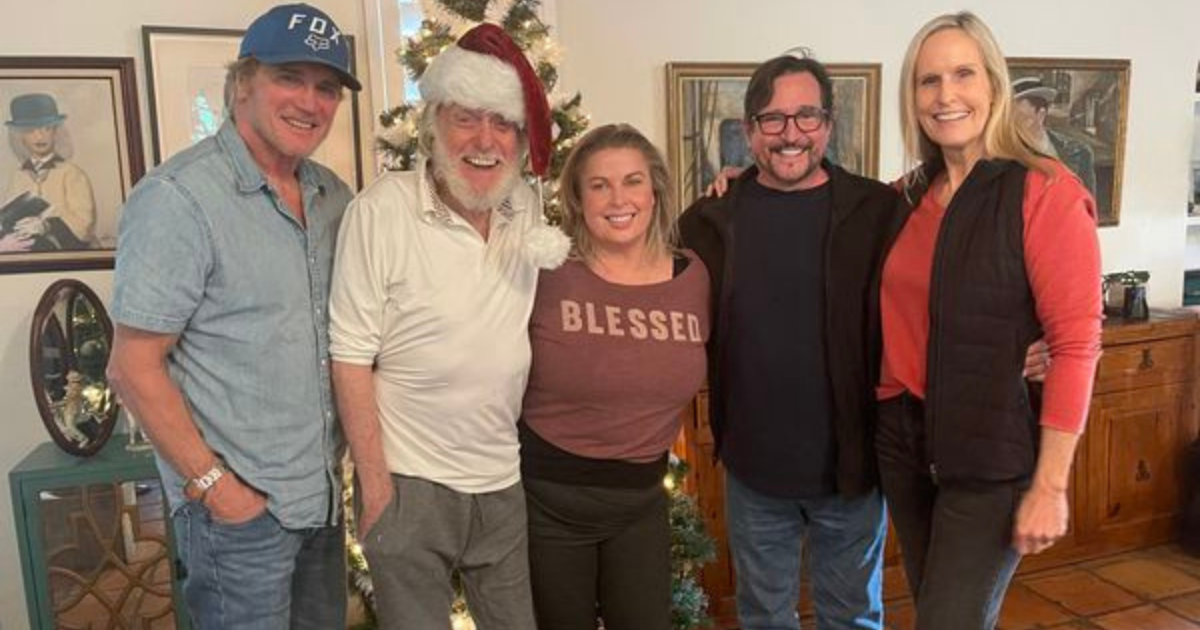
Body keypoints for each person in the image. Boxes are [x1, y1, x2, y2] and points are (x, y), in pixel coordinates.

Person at [106, 4, 361, 628]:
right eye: (289, 78)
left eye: (326, 87)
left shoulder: (334, 198)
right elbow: (132, 367)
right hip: (240, 519)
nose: (310, 101)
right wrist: (218, 489)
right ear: (243, 82)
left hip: (320, 504)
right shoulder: (179, 198)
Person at [328, 23, 566, 629]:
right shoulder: (380, 211)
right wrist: (376, 488)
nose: (485, 140)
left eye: (503, 123)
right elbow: (350, 355)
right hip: (410, 483)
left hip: (501, 481)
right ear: (434, 124)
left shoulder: (526, 209)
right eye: (466, 118)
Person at [876, 12, 1102, 630]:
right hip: (904, 442)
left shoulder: (1045, 191)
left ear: (995, 85)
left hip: (989, 452)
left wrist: (1051, 485)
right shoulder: (905, 196)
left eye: (963, 74)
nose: (945, 95)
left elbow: (1078, 344)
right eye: (928, 81)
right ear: (912, 97)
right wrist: (738, 183)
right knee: (940, 612)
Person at [679, 53, 898, 630]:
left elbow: (933, 292)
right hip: (755, 472)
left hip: (850, 471)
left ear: (828, 124)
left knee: (852, 617)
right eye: (773, 120)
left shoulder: (877, 211)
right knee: (764, 618)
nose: (791, 134)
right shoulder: (708, 220)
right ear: (749, 132)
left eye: (806, 116)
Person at [520, 123, 710, 630]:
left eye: (632, 181)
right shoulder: (546, 272)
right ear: (578, 200)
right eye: (599, 185)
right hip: (545, 502)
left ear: (655, 192)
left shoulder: (694, 276)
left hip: (640, 503)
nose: (617, 198)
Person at [2, 92, 96, 250]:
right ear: (21, 136)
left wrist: (46, 226)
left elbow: (85, 225)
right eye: (31, 130)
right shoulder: (17, 176)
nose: (40, 136)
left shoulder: (72, 174)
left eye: (46, 128)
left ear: (55, 132)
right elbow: (6, 219)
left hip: (65, 255)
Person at [1012, 76, 1098, 195]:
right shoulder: (1002, 156)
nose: (1013, 125)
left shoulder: (1079, 153)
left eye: (1022, 118)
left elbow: (1088, 206)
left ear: (1041, 115)